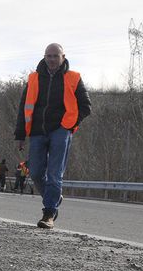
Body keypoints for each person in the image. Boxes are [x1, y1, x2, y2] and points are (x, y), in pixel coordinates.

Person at [15, 43, 92, 229]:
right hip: (37, 131)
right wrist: (20, 134)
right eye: (48, 56)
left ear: (63, 57)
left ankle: (49, 214)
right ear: (44, 57)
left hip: (60, 131)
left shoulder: (73, 78)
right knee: (35, 172)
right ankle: (54, 198)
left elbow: (86, 106)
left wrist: (69, 125)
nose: (51, 59)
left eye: (55, 56)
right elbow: (23, 107)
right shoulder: (34, 78)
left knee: (54, 174)